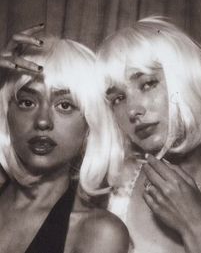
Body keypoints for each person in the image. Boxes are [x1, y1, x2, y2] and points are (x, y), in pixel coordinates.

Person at [96, 16, 201, 253]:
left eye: (147, 84)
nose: (132, 110)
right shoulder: (110, 189)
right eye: (118, 98)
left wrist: (198, 231)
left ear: (189, 80)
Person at [0, 33, 129, 253]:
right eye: (27, 102)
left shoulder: (97, 234)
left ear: (90, 124)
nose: (42, 121)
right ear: (6, 113)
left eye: (65, 106)